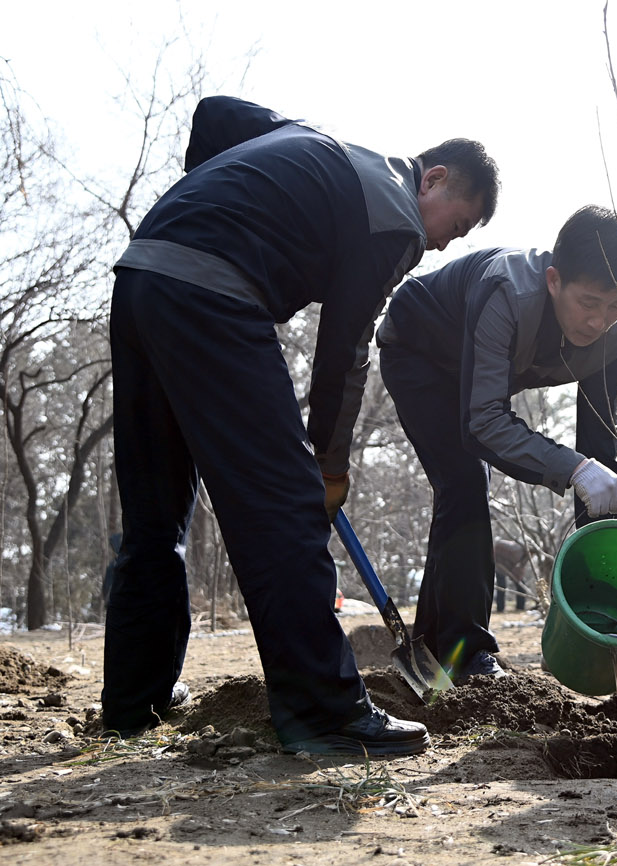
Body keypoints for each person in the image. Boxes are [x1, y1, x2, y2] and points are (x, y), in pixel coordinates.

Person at [105, 95, 499, 755]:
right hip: (214, 295)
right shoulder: (396, 215)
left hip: (144, 274)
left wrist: (206, 199)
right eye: (452, 228)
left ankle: (132, 697)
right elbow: (344, 352)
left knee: (156, 512)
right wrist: (327, 471)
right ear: (431, 180)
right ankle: (325, 714)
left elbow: (214, 114)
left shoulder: (310, 141)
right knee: (286, 507)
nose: (435, 248)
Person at [377, 205, 617, 683]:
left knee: (470, 487)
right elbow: (482, 423)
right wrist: (573, 469)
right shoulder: (507, 291)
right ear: (554, 280)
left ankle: (434, 648)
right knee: (463, 481)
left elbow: (599, 443)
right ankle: (468, 654)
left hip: (479, 378)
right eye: (588, 303)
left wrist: (598, 569)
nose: (598, 321)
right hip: (421, 352)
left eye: (615, 304)